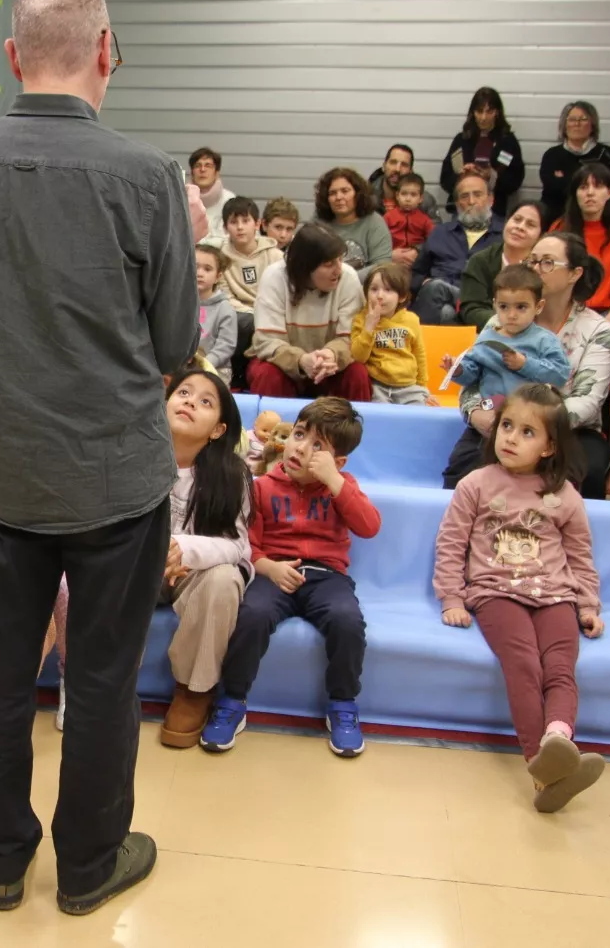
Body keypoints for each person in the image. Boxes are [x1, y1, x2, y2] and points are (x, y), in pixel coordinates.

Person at [0, 0, 198, 916]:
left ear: (13, 57)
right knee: (102, 675)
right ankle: (87, 864)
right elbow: (175, 345)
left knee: (0, 676)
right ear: (107, 52)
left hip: (3, 472)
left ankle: (3, 860)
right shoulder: (148, 177)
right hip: (115, 479)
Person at [435, 383, 607, 813]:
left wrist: (587, 605)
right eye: (506, 426)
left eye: (527, 433)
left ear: (550, 447)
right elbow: (451, 544)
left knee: (561, 668)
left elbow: (580, 556)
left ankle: (557, 739)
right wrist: (452, 597)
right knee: (524, 663)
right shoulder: (476, 483)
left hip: (555, 595)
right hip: (496, 593)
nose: (510, 437)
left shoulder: (565, 495)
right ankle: (539, 762)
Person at [200, 398, 380, 757]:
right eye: (299, 435)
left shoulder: (342, 484)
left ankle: (343, 704)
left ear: (338, 461)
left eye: (318, 447)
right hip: (272, 571)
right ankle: (232, 700)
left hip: (326, 575)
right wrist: (268, 567)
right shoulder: (261, 486)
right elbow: (246, 544)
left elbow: (369, 526)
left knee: (347, 621)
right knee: (251, 616)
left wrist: (334, 481)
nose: (301, 448)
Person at [447, 231, 610, 498]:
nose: (536, 269)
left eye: (547, 262)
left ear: (574, 274)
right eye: (532, 261)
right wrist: (474, 411)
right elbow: (474, 377)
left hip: (567, 429)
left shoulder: (597, 330)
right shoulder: (501, 321)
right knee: (463, 468)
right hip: (500, 420)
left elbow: (588, 400)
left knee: (585, 473)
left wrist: (532, 425)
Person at [153, 370, 254, 749]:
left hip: (190, 576)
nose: (191, 401)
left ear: (217, 429)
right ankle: (90, 683)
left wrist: (183, 549)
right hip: (135, 569)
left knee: (224, 578)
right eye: (183, 392)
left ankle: (194, 690)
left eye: (206, 401)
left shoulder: (232, 475)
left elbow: (237, 545)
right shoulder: (132, 456)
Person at [247, 222, 370, 401]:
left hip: (331, 367)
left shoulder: (348, 277)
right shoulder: (274, 277)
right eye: (329, 264)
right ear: (305, 267)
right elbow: (267, 341)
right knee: (267, 374)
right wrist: (301, 360)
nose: (338, 269)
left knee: (357, 374)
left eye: (340, 259)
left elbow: (353, 338)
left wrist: (332, 354)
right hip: (285, 365)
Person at [449, 265, 570, 402]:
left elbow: (560, 375)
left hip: (529, 414)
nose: (512, 315)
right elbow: (473, 376)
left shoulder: (545, 340)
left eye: (521, 307)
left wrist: (524, 364)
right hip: (489, 412)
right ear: (495, 305)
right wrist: (458, 370)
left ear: (538, 307)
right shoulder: (486, 337)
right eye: (504, 307)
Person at [411, 171, 505, 325]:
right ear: (457, 204)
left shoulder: (503, 236)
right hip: (439, 302)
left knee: (437, 288)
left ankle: (418, 343)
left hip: (479, 302)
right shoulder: (440, 233)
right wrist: (421, 282)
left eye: (477, 194)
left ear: (491, 200)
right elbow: (416, 273)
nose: (471, 201)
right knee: (446, 311)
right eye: (464, 196)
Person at [555, 162, 610, 323]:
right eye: (583, 187)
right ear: (575, 194)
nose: (590, 193)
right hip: (565, 311)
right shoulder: (559, 229)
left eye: (598, 186)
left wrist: (607, 324)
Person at [211, 195, 281, 389]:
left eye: (245, 221)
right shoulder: (220, 258)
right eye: (234, 222)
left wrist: (264, 315)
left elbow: (281, 293)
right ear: (225, 228)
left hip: (271, 312)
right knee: (239, 322)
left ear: (257, 224)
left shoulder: (275, 255)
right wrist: (254, 315)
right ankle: (236, 380)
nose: (240, 227)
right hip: (242, 315)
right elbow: (225, 296)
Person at [456, 200, 547, 329]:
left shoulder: (542, 267)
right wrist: (504, 323)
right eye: (517, 219)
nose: (520, 227)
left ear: (541, 236)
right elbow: (471, 309)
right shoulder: (481, 260)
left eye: (530, 225)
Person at [350, 263, 430, 405]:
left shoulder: (411, 320)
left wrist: (422, 387)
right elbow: (358, 357)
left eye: (388, 290)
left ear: (402, 297)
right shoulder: (361, 319)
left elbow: (419, 354)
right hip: (377, 386)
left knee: (419, 415)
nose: (380, 296)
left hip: (408, 387)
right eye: (374, 289)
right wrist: (369, 328)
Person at [440, 87, 525, 217]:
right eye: (479, 111)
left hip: (494, 212)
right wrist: (461, 176)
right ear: (473, 112)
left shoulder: (507, 142)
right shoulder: (462, 140)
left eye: (489, 111)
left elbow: (515, 182)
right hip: (461, 211)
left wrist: (492, 176)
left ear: (497, 112)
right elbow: (445, 179)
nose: (483, 117)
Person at [538, 101, 610, 224]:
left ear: (593, 124)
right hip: (557, 221)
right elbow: (552, 189)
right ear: (564, 125)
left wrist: (567, 181)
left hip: (599, 221)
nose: (577, 124)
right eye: (572, 119)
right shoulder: (552, 155)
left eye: (583, 119)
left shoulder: (609, 155)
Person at [315, 166, 390, 281]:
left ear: (358, 194)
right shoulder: (317, 222)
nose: (339, 197)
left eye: (345, 191)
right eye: (332, 193)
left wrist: (344, 280)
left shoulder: (374, 222)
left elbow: (382, 265)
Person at [195, 244, 238, 372]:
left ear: (218, 277)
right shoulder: (176, 303)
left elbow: (226, 346)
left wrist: (204, 365)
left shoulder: (225, 309)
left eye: (207, 269)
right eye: (195, 267)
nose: (199, 273)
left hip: (215, 369)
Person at [370, 143, 441, 219]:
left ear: (411, 171)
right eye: (393, 162)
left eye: (404, 165)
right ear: (384, 166)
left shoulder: (425, 201)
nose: (397, 169)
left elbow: (437, 229)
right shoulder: (367, 197)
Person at [383, 173, 433, 263]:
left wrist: (420, 252)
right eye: (404, 194)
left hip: (417, 259)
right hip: (393, 259)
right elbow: (380, 239)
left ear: (420, 198)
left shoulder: (425, 220)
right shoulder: (388, 217)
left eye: (413, 195)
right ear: (397, 196)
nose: (408, 199)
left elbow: (433, 239)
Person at [192, 146, 234, 243]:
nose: (202, 170)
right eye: (198, 166)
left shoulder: (229, 199)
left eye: (208, 166)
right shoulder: (180, 199)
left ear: (216, 173)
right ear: (192, 172)